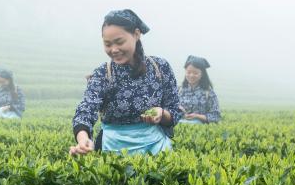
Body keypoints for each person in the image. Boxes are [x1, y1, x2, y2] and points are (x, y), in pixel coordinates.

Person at [70, 9, 183, 155]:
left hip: (155, 147)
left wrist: (162, 113)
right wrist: (83, 139)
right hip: (112, 147)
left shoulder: (160, 67)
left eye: (119, 42)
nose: (114, 49)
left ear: (136, 34)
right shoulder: (103, 73)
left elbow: (174, 110)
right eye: (107, 44)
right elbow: (85, 110)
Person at [178, 55, 221, 124]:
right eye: (188, 72)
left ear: (202, 74)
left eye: (195, 73)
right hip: (179, 125)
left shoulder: (209, 92)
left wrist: (197, 116)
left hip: (198, 128)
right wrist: (179, 109)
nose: (191, 75)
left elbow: (216, 116)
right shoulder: (179, 90)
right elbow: (169, 109)